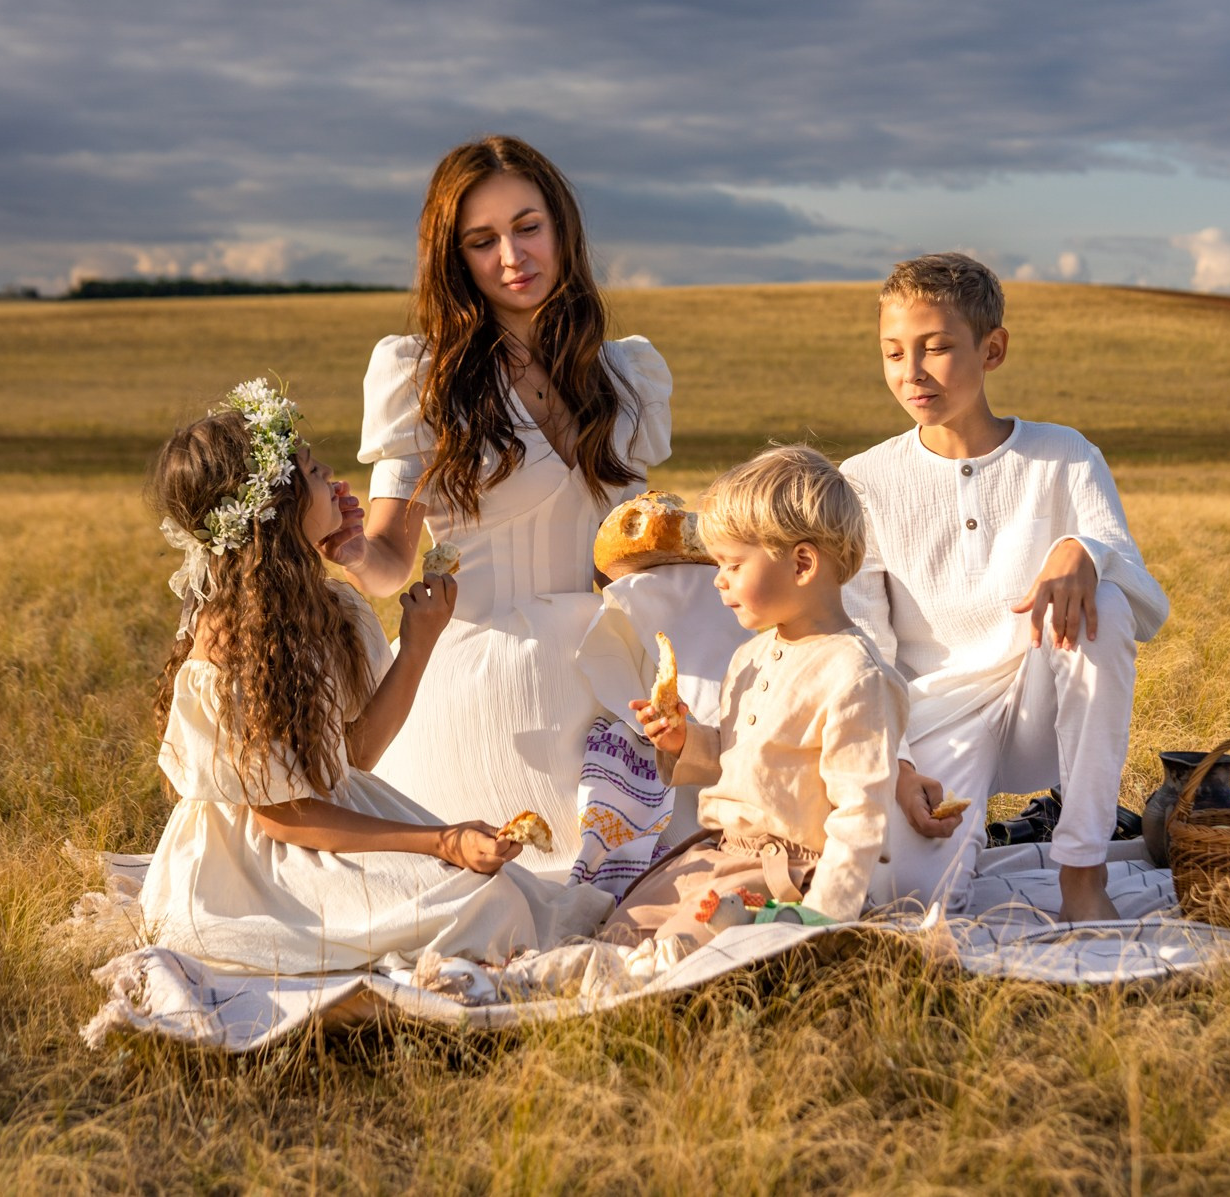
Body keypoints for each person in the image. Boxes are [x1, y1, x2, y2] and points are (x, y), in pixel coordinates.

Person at [138, 380, 610, 975]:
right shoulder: (235, 640)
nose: (332, 474)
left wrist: (418, 645)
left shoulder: (327, 605)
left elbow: (355, 755)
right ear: (276, 508)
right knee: (483, 905)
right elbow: (282, 815)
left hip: (331, 819)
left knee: (507, 893)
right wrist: (442, 842)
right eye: (311, 470)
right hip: (263, 866)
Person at [336, 136, 673, 872]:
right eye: (482, 241)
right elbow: (393, 563)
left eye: (528, 227)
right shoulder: (421, 378)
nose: (512, 257)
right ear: (454, 258)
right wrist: (355, 550)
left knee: (678, 852)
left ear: (561, 227)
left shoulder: (627, 374)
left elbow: (634, 552)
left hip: (611, 671)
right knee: (524, 882)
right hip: (482, 675)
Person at [840, 253, 1171, 922]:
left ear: (993, 349)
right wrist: (897, 766)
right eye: (893, 351)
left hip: (1040, 707)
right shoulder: (865, 479)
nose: (912, 372)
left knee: (1101, 600)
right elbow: (863, 645)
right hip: (933, 720)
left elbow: (1144, 600)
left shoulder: (1065, 454)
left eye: (936, 347)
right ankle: (946, 831)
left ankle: (1082, 868)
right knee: (913, 901)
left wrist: (1084, 550)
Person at [602, 445, 907, 950]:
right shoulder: (750, 656)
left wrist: (820, 920)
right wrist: (683, 741)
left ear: (802, 563)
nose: (718, 579)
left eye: (733, 564)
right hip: (718, 857)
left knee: (679, 949)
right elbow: (737, 757)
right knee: (618, 930)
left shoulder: (854, 675)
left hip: (785, 875)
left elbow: (861, 814)